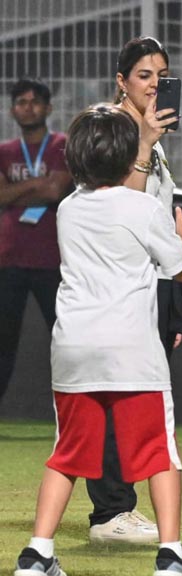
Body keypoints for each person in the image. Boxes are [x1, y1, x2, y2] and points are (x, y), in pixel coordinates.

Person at [11, 103, 182, 576]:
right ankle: (171, 558)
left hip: (74, 349)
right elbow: (179, 269)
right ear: (128, 158)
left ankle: (37, 555)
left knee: (67, 454)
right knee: (160, 454)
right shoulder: (143, 208)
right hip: (131, 351)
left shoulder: (68, 209)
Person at [84, 36, 182, 544]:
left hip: (149, 282)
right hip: (124, 286)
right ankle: (110, 512)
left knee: (133, 399)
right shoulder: (116, 133)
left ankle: (117, 506)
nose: (154, 84)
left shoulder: (151, 134)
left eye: (161, 75)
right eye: (144, 75)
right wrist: (145, 143)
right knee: (118, 399)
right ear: (121, 81)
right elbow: (116, 210)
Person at [0, 79, 71, 405]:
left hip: (53, 260)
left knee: (66, 338)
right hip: (8, 259)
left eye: (34, 101)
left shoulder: (62, 145)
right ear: (13, 109)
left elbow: (56, 191)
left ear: (48, 107)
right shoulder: (4, 151)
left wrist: (16, 191)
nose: (28, 107)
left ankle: (72, 411)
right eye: (21, 102)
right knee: (3, 343)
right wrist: (39, 182)